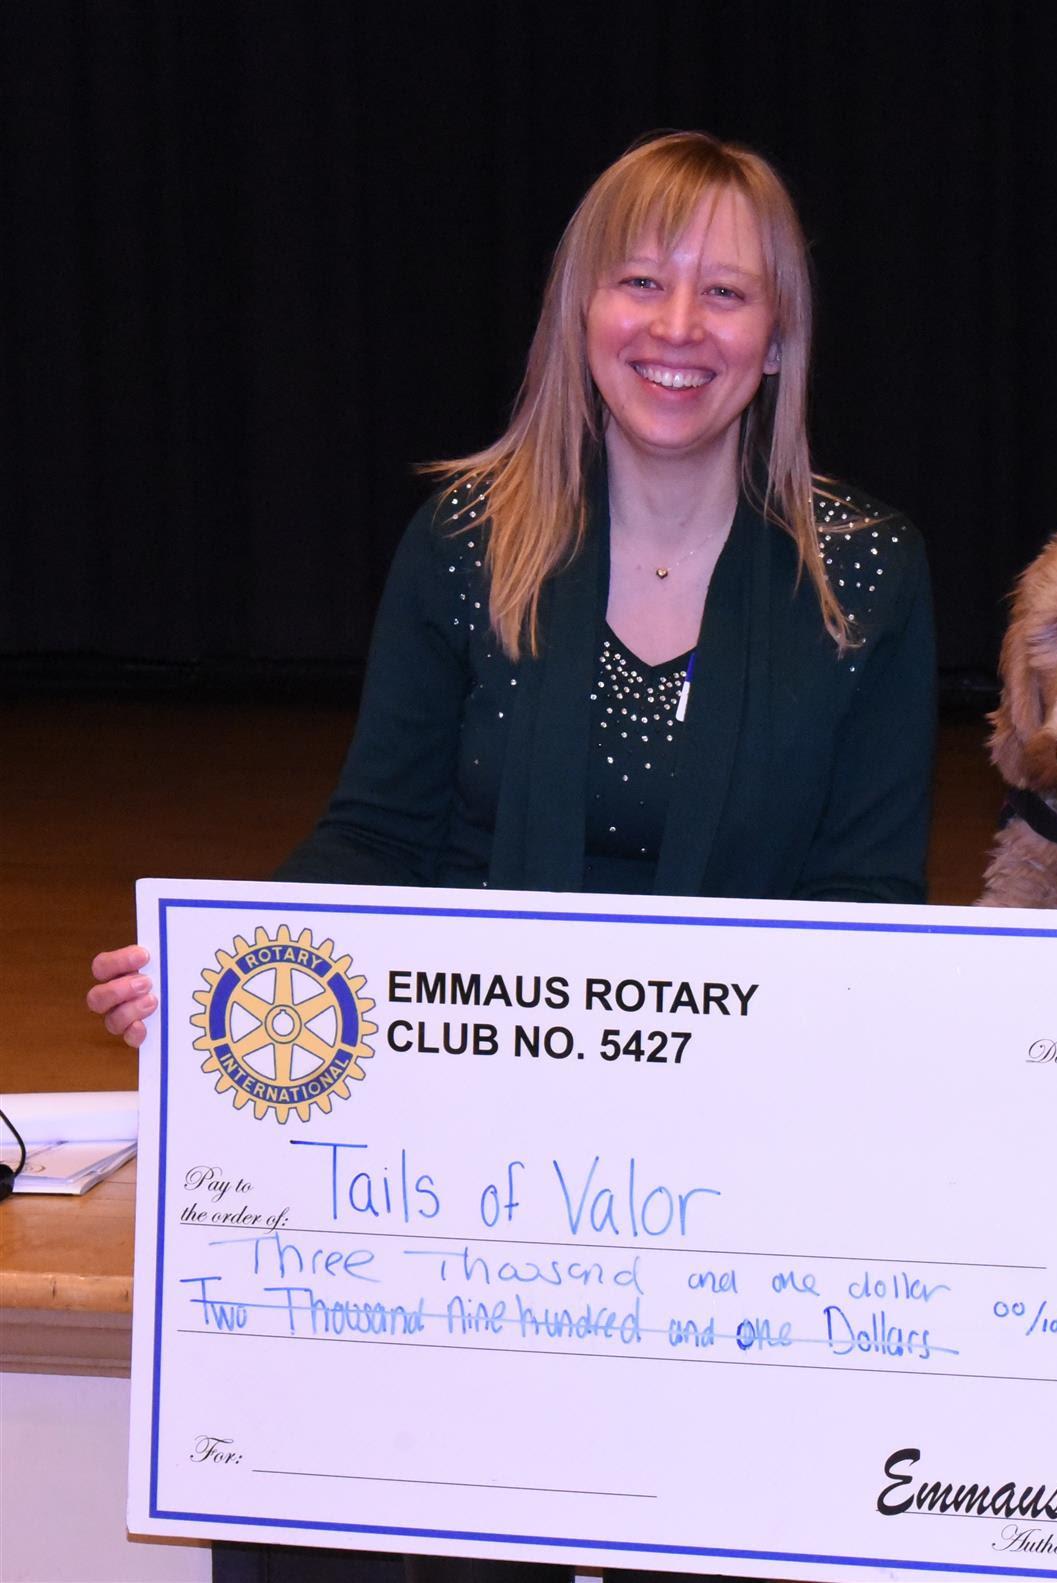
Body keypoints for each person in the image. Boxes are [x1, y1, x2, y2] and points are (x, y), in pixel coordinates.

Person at [87, 131, 936, 1582]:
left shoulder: (864, 571)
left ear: (779, 332)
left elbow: (866, 906)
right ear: (577, 308)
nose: (679, 328)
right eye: (641, 282)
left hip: (731, 1162)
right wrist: (231, 971)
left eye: (726, 292)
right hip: (463, 1143)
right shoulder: (466, 540)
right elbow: (379, 835)